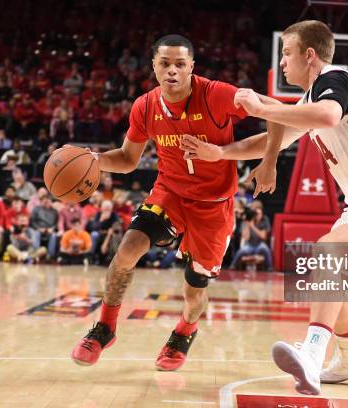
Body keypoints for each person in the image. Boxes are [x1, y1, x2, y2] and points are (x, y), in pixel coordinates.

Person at [181, 20, 348, 395]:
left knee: (328, 253)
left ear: (310, 55)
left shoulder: (336, 81)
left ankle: (312, 353)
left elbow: (325, 117)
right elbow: (270, 141)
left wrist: (263, 106)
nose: (281, 63)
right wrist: (223, 152)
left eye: (287, 53)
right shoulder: (312, 101)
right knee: (329, 267)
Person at [70, 34, 275, 372]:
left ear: (192, 67)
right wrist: (93, 159)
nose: (172, 71)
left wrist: (269, 161)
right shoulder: (145, 106)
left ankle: (183, 332)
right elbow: (126, 158)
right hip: (170, 194)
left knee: (194, 290)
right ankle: (105, 328)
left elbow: (278, 114)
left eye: (180, 64)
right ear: (153, 67)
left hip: (214, 203)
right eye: (165, 64)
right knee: (127, 250)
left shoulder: (215, 94)